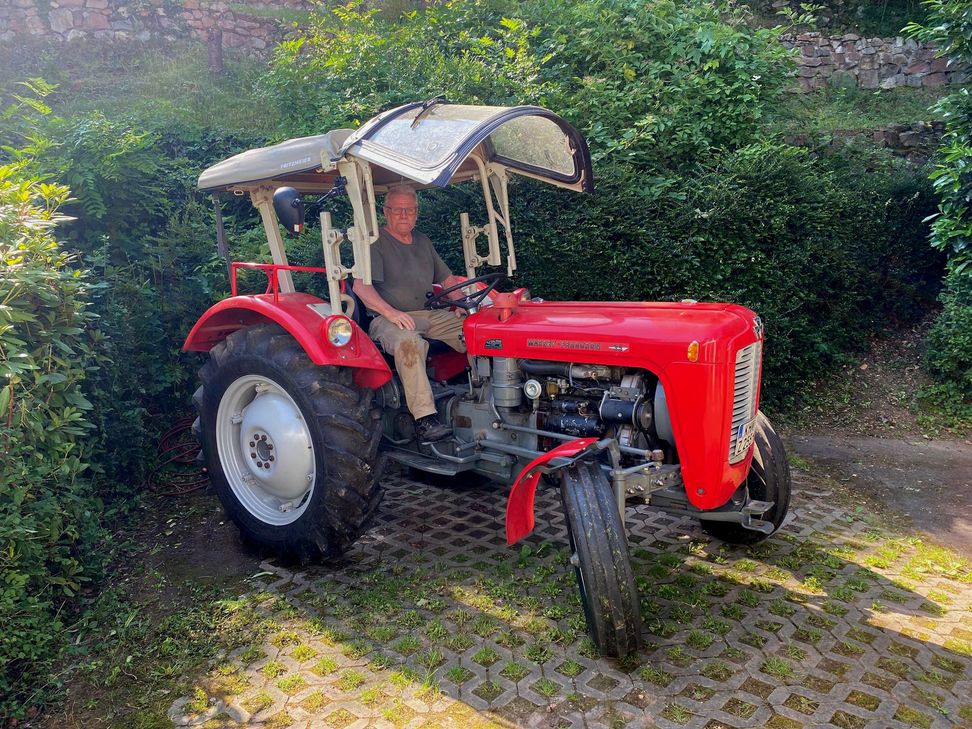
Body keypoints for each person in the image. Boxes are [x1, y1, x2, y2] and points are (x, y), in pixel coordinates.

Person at [353, 186, 468, 442]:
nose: (404, 215)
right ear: (386, 212)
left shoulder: (423, 241)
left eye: (410, 210)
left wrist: (464, 305)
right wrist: (391, 312)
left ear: (416, 213)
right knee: (409, 344)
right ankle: (425, 419)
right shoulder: (375, 243)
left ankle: (482, 393)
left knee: (476, 330)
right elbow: (361, 287)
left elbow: (447, 279)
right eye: (398, 210)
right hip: (386, 319)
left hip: (427, 314)